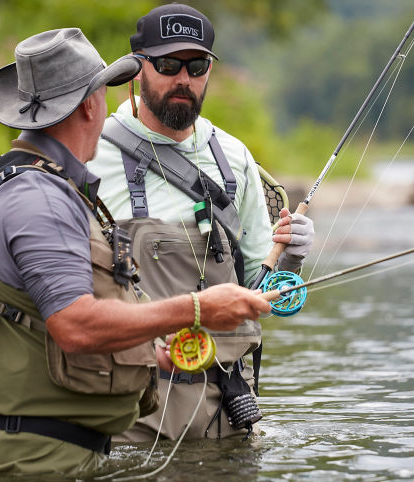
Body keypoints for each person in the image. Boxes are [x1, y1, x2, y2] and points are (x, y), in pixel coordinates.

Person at [0, 28, 270, 475]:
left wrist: (149, 352)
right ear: (90, 105)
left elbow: (39, 323)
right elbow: (75, 325)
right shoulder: (41, 201)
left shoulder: (40, 188)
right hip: (31, 467)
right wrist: (197, 308)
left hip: (43, 459)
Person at [87, 4, 315, 442]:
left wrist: (291, 261)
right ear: (138, 70)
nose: (183, 79)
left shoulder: (234, 158)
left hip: (227, 411)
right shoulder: (93, 154)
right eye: (168, 64)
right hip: (127, 412)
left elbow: (261, 294)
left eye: (196, 66)